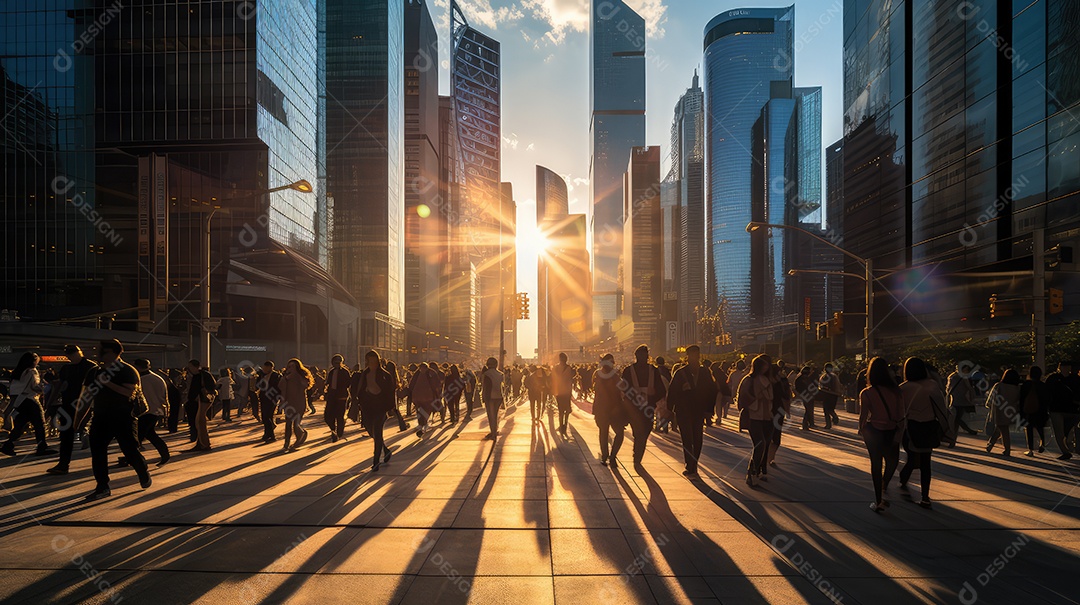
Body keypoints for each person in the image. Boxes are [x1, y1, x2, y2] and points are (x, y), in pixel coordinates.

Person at [74, 339, 151, 501]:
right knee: (98, 451)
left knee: (130, 451)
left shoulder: (127, 370)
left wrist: (106, 382)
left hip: (124, 418)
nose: (98, 353)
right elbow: (86, 398)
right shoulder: (94, 372)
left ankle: (142, 471)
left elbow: (128, 393)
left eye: (103, 351)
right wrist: (77, 421)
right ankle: (102, 486)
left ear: (115, 352)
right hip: (101, 417)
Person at [898, 357, 947, 509]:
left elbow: (899, 411)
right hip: (929, 427)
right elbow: (942, 409)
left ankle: (903, 480)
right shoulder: (932, 385)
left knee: (912, 459)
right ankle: (925, 497)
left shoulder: (902, 388)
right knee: (926, 463)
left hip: (910, 428)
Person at [858, 357, 905, 513]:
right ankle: (885, 483)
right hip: (892, 430)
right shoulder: (896, 391)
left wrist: (861, 429)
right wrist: (899, 433)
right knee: (892, 461)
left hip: (873, 431)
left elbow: (863, 416)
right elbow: (901, 415)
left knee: (875, 464)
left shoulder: (867, 392)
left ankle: (878, 500)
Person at [45, 346, 97, 474]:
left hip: (84, 404)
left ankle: (96, 463)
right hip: (68, 404)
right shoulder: (66, 368)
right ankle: (63, 464)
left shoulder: (91, 366)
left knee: (91, 433)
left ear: (79, 353)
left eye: (71, 355)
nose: (70, 358)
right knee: (65, 435)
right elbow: (60, 386)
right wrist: (50, 402)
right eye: (68, 355)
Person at [668, 345, 717, 478]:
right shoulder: (680, 373)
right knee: (687, 438)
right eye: (692, 355)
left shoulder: (705, 372)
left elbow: (712, 391)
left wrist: (709, 410)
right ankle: (690, 464)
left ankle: (693, 463)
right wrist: (670, 409)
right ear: (687, 356)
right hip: (684, 410)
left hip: (699, 410)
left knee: (698, 439)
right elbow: (672, 392)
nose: (695, 357)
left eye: (697, 354)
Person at [1, 352, 54, 457]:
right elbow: (34, 386)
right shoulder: (31, 371)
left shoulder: (17, 372)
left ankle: (8, 445)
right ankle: (41, 447)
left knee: (21, 424)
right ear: (33, 361)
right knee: (40, 423)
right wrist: (42, 389)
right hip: (30, 399)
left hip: (20, 401)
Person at [620, 345, 666, 467]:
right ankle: (637, 455)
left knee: (645, 431)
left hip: (647, 407)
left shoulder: (654, 371)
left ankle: (638, 452)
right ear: (636, 356)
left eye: (645, 355)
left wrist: (653, 394)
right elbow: (622, 388)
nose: (643, 358)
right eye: (641, 355)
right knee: (638, 432)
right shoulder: (628, 371)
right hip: (635, 408)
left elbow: (661, 389)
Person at [122, 359, 170, 467]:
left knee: (138, 435)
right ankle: (164, 455)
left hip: (145, 412)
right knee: (150, 434)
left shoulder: (140, 380)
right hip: (156, 410)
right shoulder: (158, 378)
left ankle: (132, 458)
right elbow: (164, 396)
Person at [736, 355, 774, 487]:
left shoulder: (767, 379)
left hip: (767, 416)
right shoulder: (749, 380)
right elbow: (742, 397)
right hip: (753, 415)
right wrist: (756, 398)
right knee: (760, 444)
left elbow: (772, 397)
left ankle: (756, 471)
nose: (766, 367)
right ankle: (751, 472)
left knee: (765, 444)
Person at [355, 350, 396, 471]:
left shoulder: (385, 375)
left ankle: (376, 461)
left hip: (380, 407)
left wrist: (390, 407)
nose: (372, 363)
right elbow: (358, 390)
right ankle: (385, 449)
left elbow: (390, 392)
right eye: (370, 361)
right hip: (367, 407)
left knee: (377, 433)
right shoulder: (363, 374)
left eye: (374, 361)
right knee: (371, 431)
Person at [593, 354, 627, 467]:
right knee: (607, 432)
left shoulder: (613, 375)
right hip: (609, 408)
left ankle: (609, 456)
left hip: (610, 409)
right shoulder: (601, 374)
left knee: (612, 433)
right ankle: (608, 456)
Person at [1046, 362, 1080, 460]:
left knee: (1060, 432)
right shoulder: (1076, 379)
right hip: (1071, 409)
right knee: (1065, 431)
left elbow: (1047, 393)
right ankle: (1067, 449)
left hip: (1059, 408)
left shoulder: (1052, 379)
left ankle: (1066, 450)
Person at [985, 369, 1022, 457]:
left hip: (1000, 410)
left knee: (1003, 429)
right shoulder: (1017, 388)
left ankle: (1007, 449)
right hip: (1011, 411)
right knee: (1000, 427)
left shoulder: (999, 385)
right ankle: (990, 444)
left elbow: (992, 397)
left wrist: (989, 405)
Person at [279, 358, 313, 452]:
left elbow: (306, 385)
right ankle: (286, 443)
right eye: (289, 366)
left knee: (296, 424)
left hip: (299, 402)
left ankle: (299, 438)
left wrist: (296, 375)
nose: (291, 368)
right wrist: (285, 378)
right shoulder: (285, 376)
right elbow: (280, 387)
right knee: (288, 424)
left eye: (293, 366)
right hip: (288, 403)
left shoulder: (301, 376)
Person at [185, 360, 216, 451]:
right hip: (204, 399)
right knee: (200, 421)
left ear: (195, 366)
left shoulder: (199, 375)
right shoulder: (204, 374)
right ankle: (201, 443)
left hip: (203, 400)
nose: (189, 369)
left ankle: (204, 444)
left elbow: (194, 390)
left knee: (200, 422)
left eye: (190, 366)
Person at [945, 363, 979, 446]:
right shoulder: (964, 377)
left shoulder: (951, 376)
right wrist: (972, 396)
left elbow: (948, 389)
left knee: (954, 421)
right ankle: (953, 440)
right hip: (961, 401)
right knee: (956, 421)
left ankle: (952, 440)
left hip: (953, 401)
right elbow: (969, 388)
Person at [1019, 366, 1049, 456]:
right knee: (1040, 428)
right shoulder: (1043, 385)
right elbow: (1047, 399)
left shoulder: (1026, 384)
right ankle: (1042, 443)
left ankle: (1030, 449)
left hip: (1029, 411)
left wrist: (1021, 412)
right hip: (1041, 410)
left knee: (1029, 429)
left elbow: (1022, 398)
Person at [768, 360, 793, 467]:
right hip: (773, 411)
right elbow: (786, 397)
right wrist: (788, 411)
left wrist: (787, 411)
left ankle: (770, 458)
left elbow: (786, 396)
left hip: (775, 411)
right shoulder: (769, 381)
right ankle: (769, 458)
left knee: (774, 437)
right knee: (772, 437)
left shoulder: (781, 381)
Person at [408, 362, 443, 436]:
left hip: (419, 397)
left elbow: (411, 384)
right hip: (427, 396)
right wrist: (438, 394)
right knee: (426, 410)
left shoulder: (417, 373)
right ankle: (423, 423)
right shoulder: (431, 372)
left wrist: (411, 394)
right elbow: (436, 384)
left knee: (420, 410)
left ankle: (421, 423)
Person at [323, 355, 351, 442]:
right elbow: (328, 383)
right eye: (335, 362)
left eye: (339, 362)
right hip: (332, 396)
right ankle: (333, 429)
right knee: (328, 416)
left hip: (341, 396)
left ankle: (339, 433)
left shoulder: (345, 372)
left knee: (340, 416)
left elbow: (348, 383)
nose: (337, 364)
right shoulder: (331, 372)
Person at [256, 361, 282, 443]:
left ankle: (270, 435)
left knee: (268, 416)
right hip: (263, 398)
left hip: (272, 398)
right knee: (265, 416)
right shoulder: (261, 375)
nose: (264, 369)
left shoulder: (276, 376)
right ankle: (267, 434)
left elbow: (279, 387)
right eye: (264, 367)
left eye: (266, 368)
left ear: (271, 368)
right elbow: (257, 385)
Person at [480, 357, 504, 440]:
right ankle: (494, 431)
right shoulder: (500, 374)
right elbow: (502, 387)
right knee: (496, 414)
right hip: (499, 396)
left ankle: (493, 433)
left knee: (491, 415)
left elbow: (485, 387)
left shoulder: (486, 374)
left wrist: (483, 398)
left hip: (490, 397)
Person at [552, 353, 575, 437]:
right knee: (567, 409)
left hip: (559, 392)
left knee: (560, 409)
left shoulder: (555, 368)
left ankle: (561, 425)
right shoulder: (569, 368)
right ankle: (565, 423)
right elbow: (571, 378)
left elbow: (553, 380)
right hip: (567, 392)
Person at [818, 363, 843, 429]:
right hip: (833, 395)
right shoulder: (834, 376)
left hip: (828, 394)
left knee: (827, 410)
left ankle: (830, 422)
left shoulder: (827, 376)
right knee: (830, 409)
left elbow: (823, 386)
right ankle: (831, 421)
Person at [796, 366, 817, 430]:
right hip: (808, 395)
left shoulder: (799, 378)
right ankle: (805, 425)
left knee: (808, 410)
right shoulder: (805, 378)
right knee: (808, 410)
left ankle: (809, 424)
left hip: (805, 395)